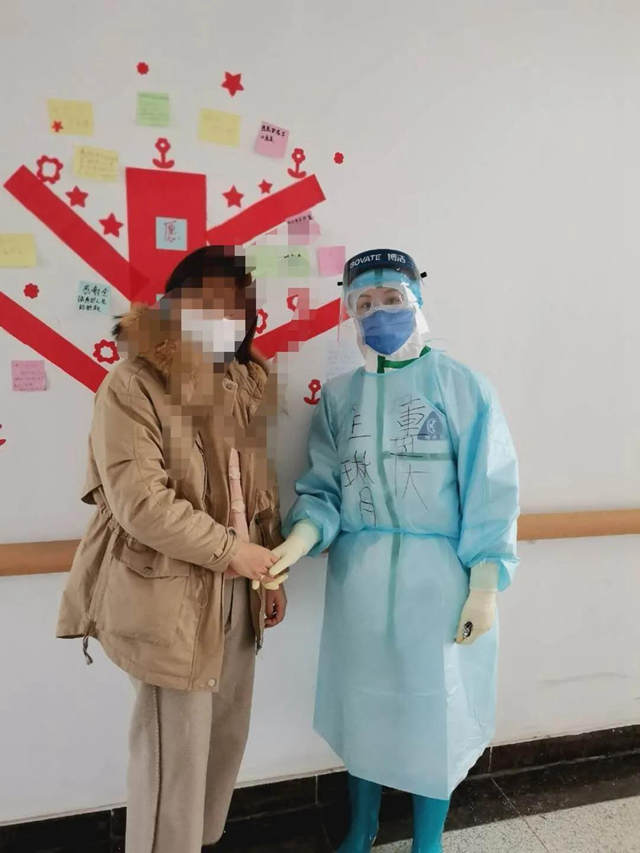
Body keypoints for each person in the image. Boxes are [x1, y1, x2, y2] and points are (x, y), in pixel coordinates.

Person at [267, 248, 519, 853]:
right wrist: (300, 537)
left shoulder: (461, 388)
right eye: (365, 302)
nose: (379, 312)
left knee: (437, 713)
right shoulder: (340, 398)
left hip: (440, 584)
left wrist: (485, 585)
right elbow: (324, 487)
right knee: (366, 710)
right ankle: (362, 826)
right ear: (350, 313)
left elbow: (491, 490)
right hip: (360, 581)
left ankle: (428, 839)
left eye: (392, 299)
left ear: (417, 300)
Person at [56, 246, 287, 853]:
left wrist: (270, 570)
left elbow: (258, 487)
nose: (223, 317)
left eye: (236, 307)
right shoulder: (132, 384)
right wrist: (233, 551)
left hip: (242, 590)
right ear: (172, 305)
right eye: (205, 302)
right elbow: (142, 504)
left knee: (223, 745)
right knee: (172, 763)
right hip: (169, 594)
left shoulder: (244, 382)